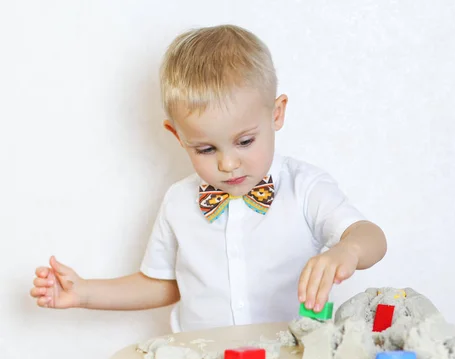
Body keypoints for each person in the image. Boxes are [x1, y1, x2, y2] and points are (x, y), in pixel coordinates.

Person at [29, 24, 387, 333]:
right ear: (177, 135)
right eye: (205, 149)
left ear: (276, 113)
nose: (229, 164)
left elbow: (371, 237)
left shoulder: (305, 188)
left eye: (245, 141)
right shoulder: (178, 202)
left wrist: (348, 249)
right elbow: (163, 285)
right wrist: (85, 292)